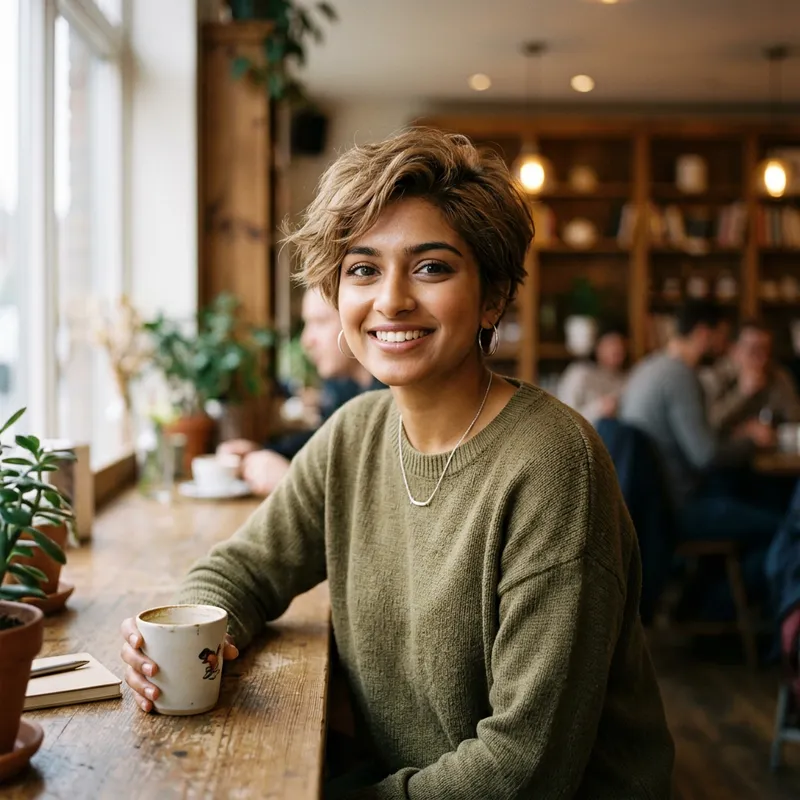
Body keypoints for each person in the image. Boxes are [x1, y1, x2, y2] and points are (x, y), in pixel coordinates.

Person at [121, 128, 673, 798]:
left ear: (493, 296)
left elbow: (526, 766)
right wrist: (184, 637)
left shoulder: (554, 466)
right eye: (362, 269)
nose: (391, 301)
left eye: (431, 267)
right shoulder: (355, 431)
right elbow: (244, 568)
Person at [620, 300, 780, 616]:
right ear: (704, 333)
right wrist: (751, 441)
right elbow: (705, 455)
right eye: (722, 336)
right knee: (782, 526)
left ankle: (697, 602)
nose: (726, 345)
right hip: (679, 509)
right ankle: (715, 609)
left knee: (743, 496)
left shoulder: (647, 368)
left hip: (651, 509)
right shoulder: (679, 375)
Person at [219, 288, 378, 495]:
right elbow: (322, 445)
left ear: (360, 318)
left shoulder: (396, 399)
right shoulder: (343, 389)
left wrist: (290, 482)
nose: (306, 340)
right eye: (306, 324)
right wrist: (263, 452)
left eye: (320, 322)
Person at [701, 319, 800, 438]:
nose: (761, 359)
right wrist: (741, 394)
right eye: (753, 351)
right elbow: (707, 427)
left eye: (766, 351)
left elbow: (795, 420)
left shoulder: (778, 376)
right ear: (735, 351)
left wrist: (773, 430)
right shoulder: (714, 378)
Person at [557, 322, 628, 424]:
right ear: (598, 346)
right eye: (611, 344)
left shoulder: (626, 381)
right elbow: (564, 417)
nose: (616, 349)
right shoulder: (580, 374)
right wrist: (599, 408)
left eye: (620, 345)